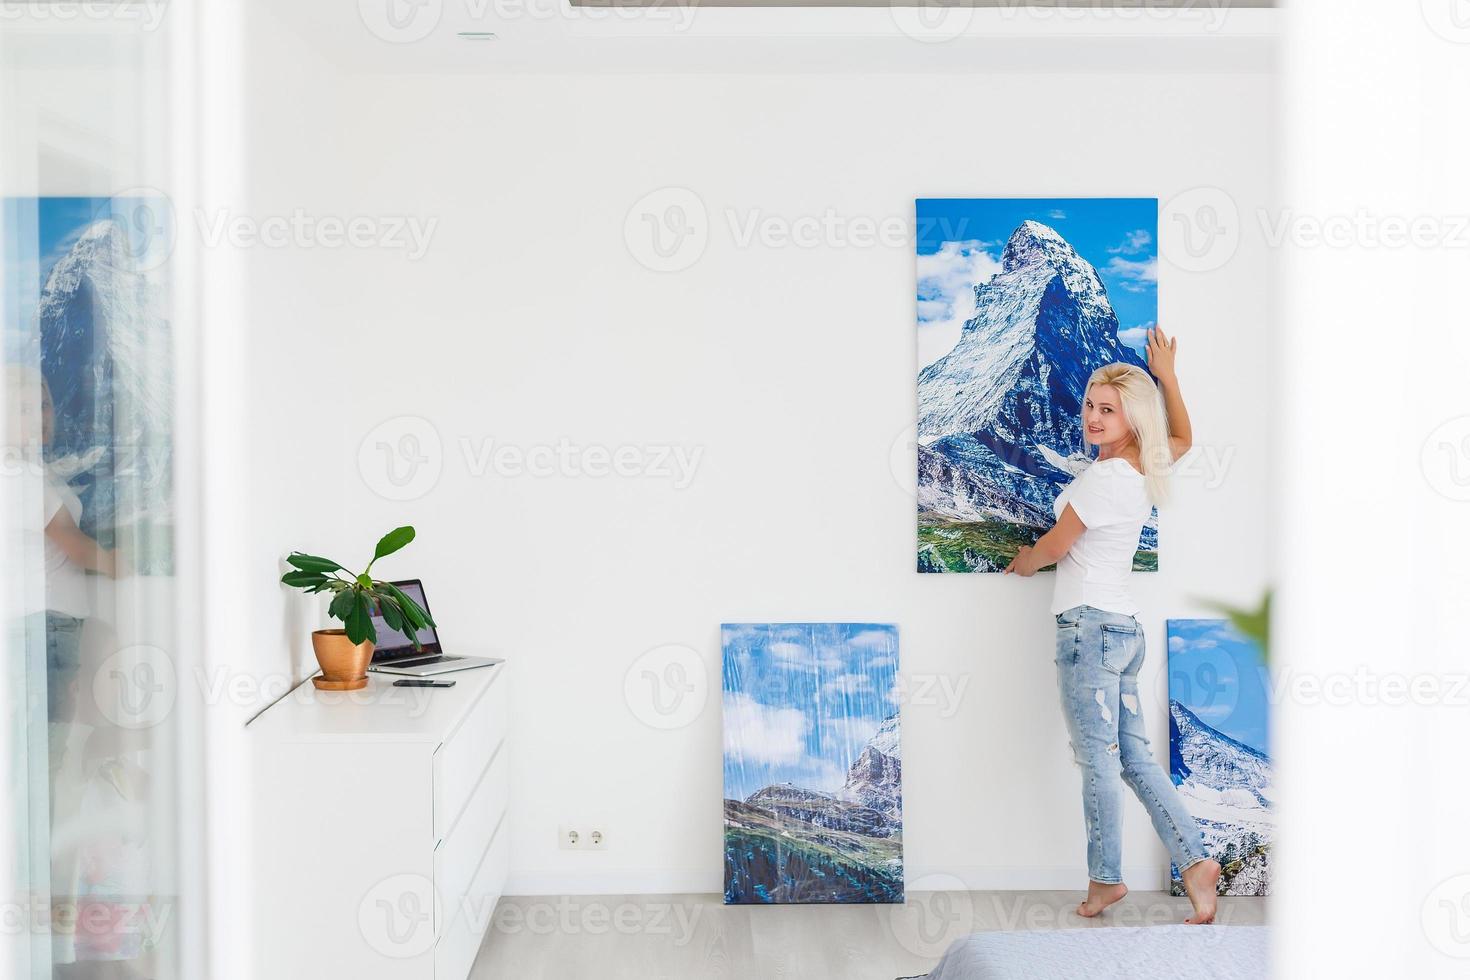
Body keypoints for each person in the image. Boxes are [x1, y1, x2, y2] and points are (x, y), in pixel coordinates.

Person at [1003, 327, 1222, 925]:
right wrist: (1169, 377)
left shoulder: (1105, 479)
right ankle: (1196, 864)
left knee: (1097, 761)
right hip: (1123, 629)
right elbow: (1183, 437)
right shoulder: (1141, 464)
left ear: (1131, 419)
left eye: (1109, 409)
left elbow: (1055, 545)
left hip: (1089, 631)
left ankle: (1105, 881)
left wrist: (1025, 562)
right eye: (1090, 407)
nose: (1094, 418)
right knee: (1133, 759)